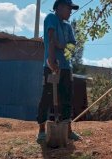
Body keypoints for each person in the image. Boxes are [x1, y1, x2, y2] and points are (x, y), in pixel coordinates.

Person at [36, 0, 81, 144]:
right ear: (60, 7)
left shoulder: (68, 26)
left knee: (67, 98)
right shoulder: (51, 18)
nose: (71, 12)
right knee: (47, 96)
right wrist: (51, 59)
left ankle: (68, 130)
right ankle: (42, 130)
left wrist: (63, 46)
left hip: (66, 67)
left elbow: (73, 45)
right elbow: (50, 39)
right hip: (51, 65)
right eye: (69, 8)